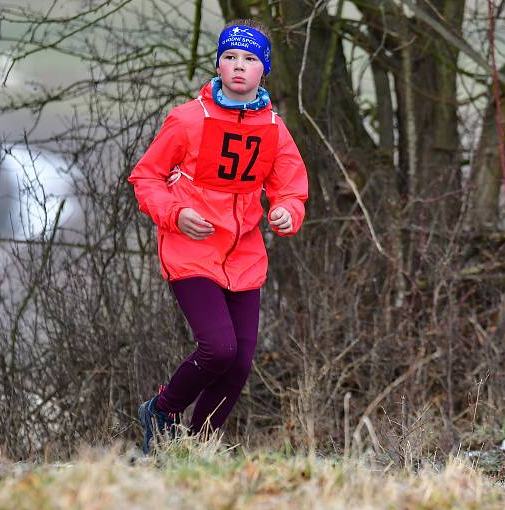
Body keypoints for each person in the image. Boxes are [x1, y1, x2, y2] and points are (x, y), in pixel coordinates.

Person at [128, 19, 308, 454]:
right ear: (219, 64)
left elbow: (290, 187)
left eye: (249, 59)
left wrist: (287, 211)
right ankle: (162, 410)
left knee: (239, 365)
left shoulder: (274, 128)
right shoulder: (188, 119)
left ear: (264, 69)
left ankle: (195, 448)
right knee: (218, 348)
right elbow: (146, 177)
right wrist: (176, 213)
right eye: (230, 57)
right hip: (190, 249)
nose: (239, 66)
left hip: (244, 255)